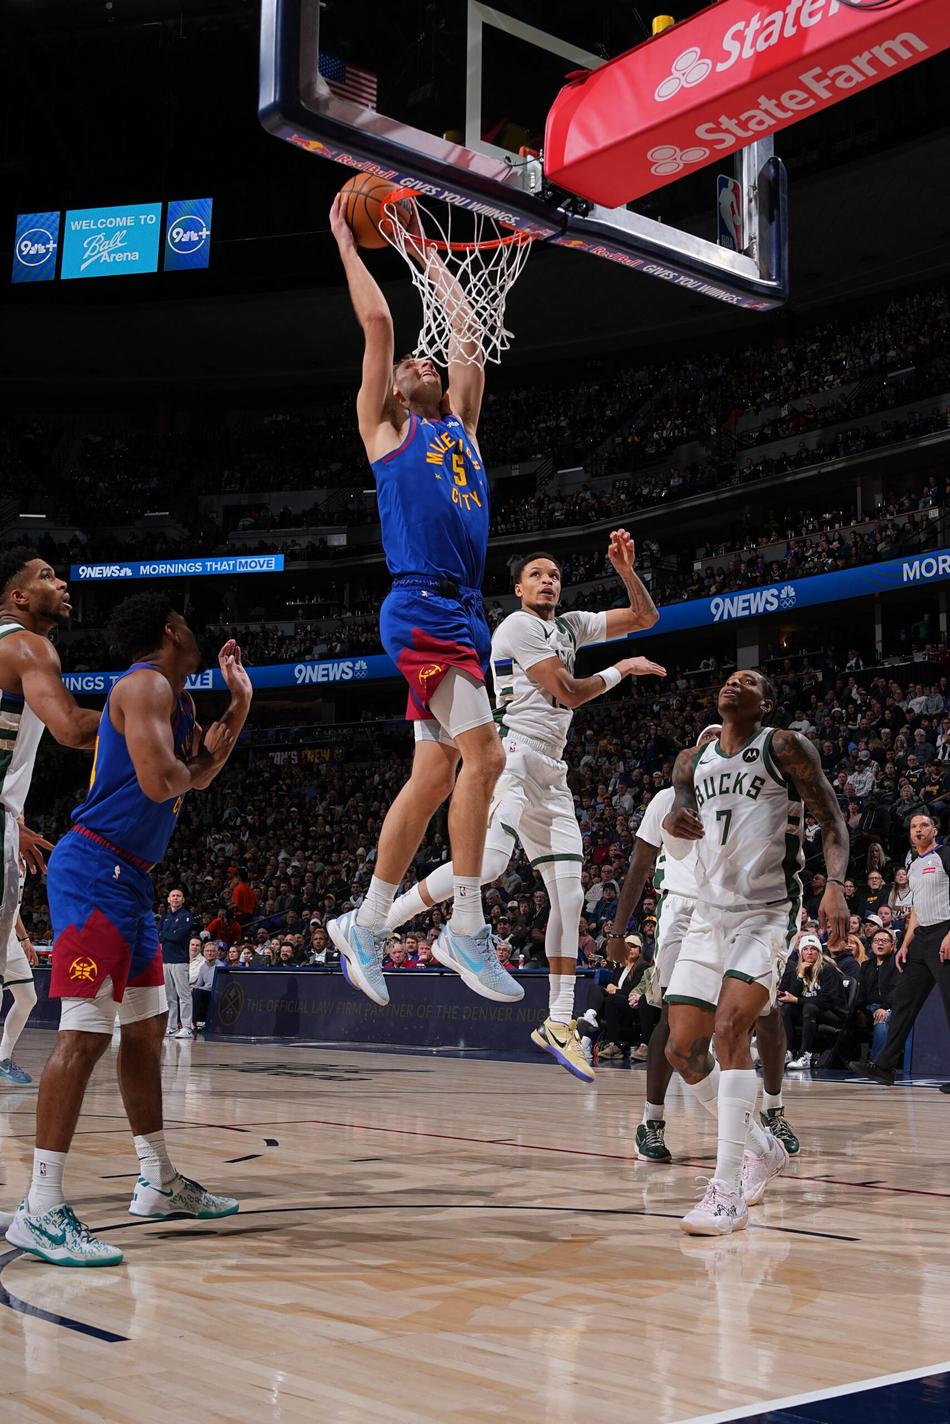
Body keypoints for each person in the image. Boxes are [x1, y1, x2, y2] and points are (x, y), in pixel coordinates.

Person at [4, 593, 252, 1266]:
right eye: (189, 622)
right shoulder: (142, 685)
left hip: (130, 879)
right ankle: (41, 1207)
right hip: (95, 872)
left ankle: (158, 1178)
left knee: (143, 1032)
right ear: (172, 630)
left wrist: (240, 703)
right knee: (84, 1036)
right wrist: (196, 770)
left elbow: (196, 773)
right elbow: (166, 778)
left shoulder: (180, 700)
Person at [325, 190, 518, 1010]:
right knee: (491, 758)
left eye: (427, 363)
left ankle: (366, 922)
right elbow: (378, 329)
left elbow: (467, 331)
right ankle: (463, 928)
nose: (421, 363)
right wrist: (352, 239)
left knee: (436, 775)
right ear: (396, 390)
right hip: (421, 608)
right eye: (412, 366)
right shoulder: (386, 430)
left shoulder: (464, 430)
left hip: (462, 614)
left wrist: (426, 252)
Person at [385, 540, 663, 1082]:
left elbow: (646, 616)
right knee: (487, 866)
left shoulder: (572, 625)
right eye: (536, 574)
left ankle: (559, 1021)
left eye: (555, 574)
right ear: (518, 588)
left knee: (572, 894)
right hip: (510, 752)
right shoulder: (516, 626)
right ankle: (380, 924)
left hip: (552, 771)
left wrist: (628, 573)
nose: (547, 581)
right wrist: (621, 670)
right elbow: (571, 691)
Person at [663, 668, 849, 1235]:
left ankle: (726, 1192)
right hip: (708, 914)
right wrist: (674, 820)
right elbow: (678, 817)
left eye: (747, 681)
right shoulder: (691, 759)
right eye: (728, 679)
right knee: (681, 1052)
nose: (733, 683)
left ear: (764, 704)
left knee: (729, 1030)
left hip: (768, 910)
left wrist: (836, 886)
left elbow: (833, 821)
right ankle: (761, 1143)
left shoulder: (784, 746)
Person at [609, 724, 802, 1165]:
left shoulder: (749, 790)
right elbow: (638, 867)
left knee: (766, 1013)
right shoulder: (665, 798)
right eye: (707, 742)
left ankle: (772, 1113)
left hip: (740, 906)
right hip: (683, 910)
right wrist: (616, 933)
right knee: (670, 1022)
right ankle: (652, 1119)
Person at [0, 550, 103, 1089]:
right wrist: (149, 718)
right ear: (19, 597)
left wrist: (11, 818)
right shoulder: (27, 645)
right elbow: (70, 728)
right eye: (47, 577)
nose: (62, 583)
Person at [850, 812, 950, 1085]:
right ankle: (883, 1066)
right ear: (910, 833)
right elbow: (917, 907)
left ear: (934, 830)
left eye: (924, 825)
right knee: (904, 1002)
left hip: (945, 932)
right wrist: (906, 943)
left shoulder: (945, 855)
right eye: (914, 826)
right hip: (921, 938)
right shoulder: (914, 864)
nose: (919, 830)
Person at [0, 825, 39, 1085]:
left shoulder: (22, 855)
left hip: (10, 940)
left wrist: (24, 939)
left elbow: (14, 906)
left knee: (28, 998)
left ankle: (3, 1057)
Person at [776, 933, 847, 1069]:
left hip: (833, 1013)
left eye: (813, 949)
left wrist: (796, 1000)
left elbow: (826, 1000)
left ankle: (805, 1055)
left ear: (819, 952)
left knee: (809, 1007)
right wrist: (800, 974)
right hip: (810, 1012)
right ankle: (787, 1052)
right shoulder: (799, 969)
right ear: (800, 952)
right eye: (805, 949)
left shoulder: (828, 970)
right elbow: (792, 995)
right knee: (786, 1009)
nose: (809, 952)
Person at [158, 887, 195, 1040]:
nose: (175, 898)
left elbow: (179, 936)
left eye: (178, 896)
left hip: (180, 960)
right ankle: (171, 1026)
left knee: (183, 995)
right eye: (173, 896)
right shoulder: (165, 917)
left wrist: (166, 935)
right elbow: (157, 935)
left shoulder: (186, 916)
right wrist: (168, 935)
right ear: (168, 899)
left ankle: (186, 1027)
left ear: (183, 899)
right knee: (169, 996)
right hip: (165, 960)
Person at [857, 928, 899, 1063]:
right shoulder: (866, 965)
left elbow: (896, 989)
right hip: (868, 1008)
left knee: (881, 1020)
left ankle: (877, 1064)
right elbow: (861, 992)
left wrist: (884, 1007)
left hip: (888, 1007)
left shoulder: (897, 964)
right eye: (876, 941)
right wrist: (859, 1010)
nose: (880, 943)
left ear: (892, 945)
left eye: (884, 941)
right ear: (871, 945)